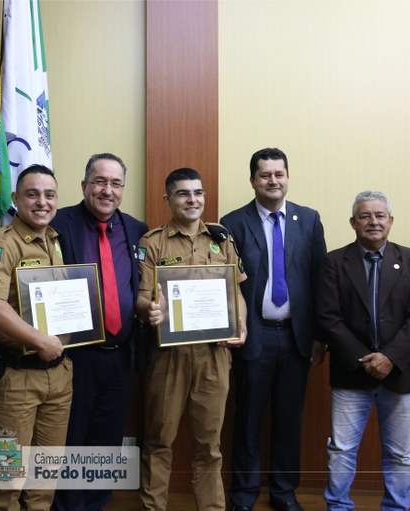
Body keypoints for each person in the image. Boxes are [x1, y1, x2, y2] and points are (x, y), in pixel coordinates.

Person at [220, 147, 326, 511]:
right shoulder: (233, 223)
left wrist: (319, 336)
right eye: (265, 175)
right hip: (255, 335)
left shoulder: (308, 220)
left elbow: (319, 280)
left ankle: (283, 492)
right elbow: (226, 284)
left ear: (287, 177)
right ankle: (244, 494)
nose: (273, 180)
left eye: (279, 174)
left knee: (288, 420)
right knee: (247, 419)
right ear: (253, 180)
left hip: (297, 337)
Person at [136, 167, 247, 511]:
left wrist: (241, 326)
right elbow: (142, 298)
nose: (192, 200)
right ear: (168, 199)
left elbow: (236, 292)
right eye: (183, 193)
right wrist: (150, 310)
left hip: (214, 355)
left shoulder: (222, 239)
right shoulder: (152, 242)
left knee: (210, 446)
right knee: (158, 441)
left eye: (198, 193)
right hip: (169, 357)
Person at [318, 191, 410, 511]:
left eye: (380, 215)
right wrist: (366, 360)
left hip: (400, 375)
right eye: (365, 216)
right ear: (353, 222)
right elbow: (328, 317)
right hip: (351, 374)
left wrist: (389, 358)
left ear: (391, 221)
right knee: (341, 450)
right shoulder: (334, 262)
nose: (373, 221)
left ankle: (396, 507)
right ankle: (338, 506)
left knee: (399, 454)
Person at [50, 153, 148, 511]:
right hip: (74, 356)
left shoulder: (136, 229)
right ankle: (68, 506)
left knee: (107, 436)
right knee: (72, 436)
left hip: (120, 355)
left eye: (116, 183)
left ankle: (94, 503)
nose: (108, 190)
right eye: (100, 182)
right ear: (84, 185)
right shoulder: (58, 224)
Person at [0, 165, 71, 511]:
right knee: (5, 480)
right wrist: (40, 341)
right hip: (14, 382)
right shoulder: (1, 245)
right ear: (15, 198)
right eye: (32, 194)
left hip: (58, 378)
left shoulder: (54, 241)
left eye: (49, 195)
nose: (42, 202)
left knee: (45, 480)